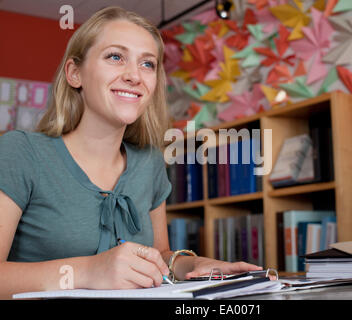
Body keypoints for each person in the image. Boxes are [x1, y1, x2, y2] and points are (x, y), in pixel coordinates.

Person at [0, 6, 262, 299]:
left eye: (148, 64)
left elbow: (159, 256)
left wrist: (197, 264)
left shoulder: (149, 162)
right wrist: (89, 271)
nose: (135, 76)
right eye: (115, 57)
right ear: (75, 74)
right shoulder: (20, 152)